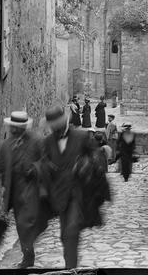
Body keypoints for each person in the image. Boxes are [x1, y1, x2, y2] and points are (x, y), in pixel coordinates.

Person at [0, 111, 49, 268]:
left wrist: (34, 169)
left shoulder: (37, 142)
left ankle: (28, 253)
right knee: (21, 225)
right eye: (12, 127)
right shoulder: (5, 146)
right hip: (13, 192)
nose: (14, 130)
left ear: (23, 127)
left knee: (27, 223)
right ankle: (28, 254)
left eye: (17, 127)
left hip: (32, 189)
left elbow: (47, 161)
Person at [41, 105, 94, 269]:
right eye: (52, 126)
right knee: (65, 236)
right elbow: (43, 164)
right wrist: (47, 167)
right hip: (59, 196)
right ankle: (70, 265)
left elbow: (96, 157)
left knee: (71, 232)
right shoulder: (48, 142)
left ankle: (71, 267)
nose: (55, 129)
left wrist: (85, 165)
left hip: (78, 193)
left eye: (57, 125)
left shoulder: (82, 136)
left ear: (64, 122)